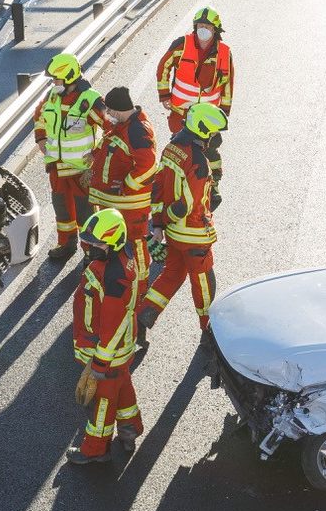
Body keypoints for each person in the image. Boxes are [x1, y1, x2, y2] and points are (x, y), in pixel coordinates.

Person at [137, 102, 227, 341]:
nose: (216, 137)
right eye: (214, 132)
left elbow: (158, 186)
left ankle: (145, 314)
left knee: (172, 275)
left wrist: (158, 224)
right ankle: (208, 330)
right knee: (203, 284)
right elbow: (186, 205)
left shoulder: (171, 147)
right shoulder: (198, 162)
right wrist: (167, 219)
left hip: (174, 235)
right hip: (194, 236)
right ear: (204, 130)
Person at [67, 209, 144, 464]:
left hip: (106, 353)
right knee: (122, 384)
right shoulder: (122, 257)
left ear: (112, 243)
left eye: (97, 243)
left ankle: (95, 450)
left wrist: (99, 363)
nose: (90, 248)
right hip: (119, 351)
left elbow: (111, 325)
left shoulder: (114, 277)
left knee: (102, 403)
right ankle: (130, 429)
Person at [155, 7, 233, 208]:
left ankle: (213, 184)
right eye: (200, 25)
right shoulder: (182, 45)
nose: (203, 29)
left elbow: (227, 84)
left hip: (208, 118)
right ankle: (178, 186)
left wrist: (224, 112)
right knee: (180, 150)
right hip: (182, 113)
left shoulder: (224, 53)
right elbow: (163, 66)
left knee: (211, 151)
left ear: (215, 30)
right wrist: (164, 94)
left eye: (207, 26)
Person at [32, 52, 105, 261]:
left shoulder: (90, 100)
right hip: (57, 168)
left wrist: (97, 154)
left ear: (69, 77)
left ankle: (91, 250)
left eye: (56, 78)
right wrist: (40, 138)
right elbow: (39, 115)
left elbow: (112, 128)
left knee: (86, 213)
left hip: (81, 170)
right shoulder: (53, 95)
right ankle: (66, 243)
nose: (53, 82)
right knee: (62, 210)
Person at [88, 86, 157, 296]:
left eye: (109, 111)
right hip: (116, 203)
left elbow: (147, 165)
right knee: (118, 243)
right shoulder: (126, 125)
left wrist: (127, 187)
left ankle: (142, 287)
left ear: (117, 111)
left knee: (136, 244)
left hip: (130, 205)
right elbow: (113, 144)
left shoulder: (138, 130)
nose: (108, 116)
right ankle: (121, 280)